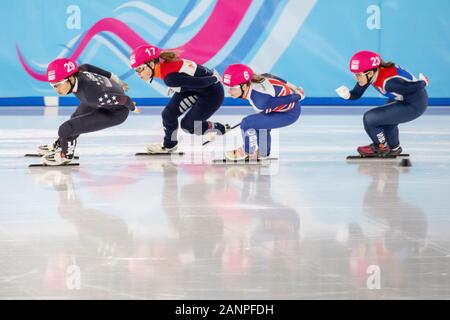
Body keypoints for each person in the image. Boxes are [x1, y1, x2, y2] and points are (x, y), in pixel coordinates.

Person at [130, 44, 227, 153]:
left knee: (188, 126)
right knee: (168, 114)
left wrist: (215, 78)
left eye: (139, 69)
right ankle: (169, 145)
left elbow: (201, 82)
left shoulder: (170, 77)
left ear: (152, 64)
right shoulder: (165, 68)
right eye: (136, 70)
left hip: (212, 93)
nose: (138, 74)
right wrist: (178, 85)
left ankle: (218, 127)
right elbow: (189, 77)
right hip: (196, 89)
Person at [40, 58, 135, 165]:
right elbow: (87, 66)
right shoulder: (79, 71)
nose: (56, 89)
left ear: (71, 78)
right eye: (53, 85)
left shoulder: (91, 94)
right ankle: (63, 143)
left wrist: (133, 108)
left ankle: (65, 155)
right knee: (74, 119)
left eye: (59, 84)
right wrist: (113, 77)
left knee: (66, 129)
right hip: (100, 97)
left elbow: (125, 100)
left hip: (116, 113)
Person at [336, 50, 429, 157]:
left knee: (370, 118)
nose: (356, 78)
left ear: (370, 73)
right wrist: (347, 95)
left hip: (414, 105)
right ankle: (394, 147)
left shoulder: (388, 82)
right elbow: (357, 93)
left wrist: (423, 82)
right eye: (355, 74)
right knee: (386, 121)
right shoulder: (372, 73)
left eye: (358, 75)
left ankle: (381, 147)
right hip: (404, 99)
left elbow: (410, 87)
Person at [221, 64, 304, 160]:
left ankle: (246, 151)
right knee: (259, 124)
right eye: (227, 87)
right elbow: (271, 76)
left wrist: (298, 96)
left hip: (289, 113)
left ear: (244, 86)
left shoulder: (259, 101)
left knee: (246, 123)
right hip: (280, 107)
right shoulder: (256, 79)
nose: (229, 91)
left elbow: (282, 101)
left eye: (232, 88)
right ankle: (263, 152)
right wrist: (293, 87)